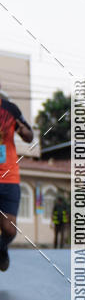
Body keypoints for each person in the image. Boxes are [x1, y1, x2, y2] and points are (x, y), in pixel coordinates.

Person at [0, 92, 33, 270]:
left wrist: (24, 132)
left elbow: (30, 136)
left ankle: (2, 248)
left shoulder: (11, 109)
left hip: (9, 176)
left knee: (10, 229)